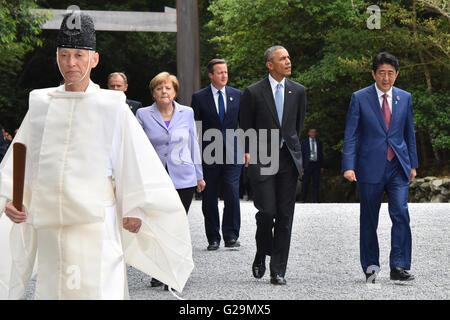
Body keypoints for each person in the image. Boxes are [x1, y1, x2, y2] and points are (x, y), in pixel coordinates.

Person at [0, 13, 193, 299]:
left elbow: (133, 157)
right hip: (52, 220)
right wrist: (11, 198)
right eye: (64, 55)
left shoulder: (111, 106)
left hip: (97, 218)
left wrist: (134, 207)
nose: (71, 63)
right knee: (55, 288)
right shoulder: (42, 103)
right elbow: (22, 154)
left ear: (94, 59)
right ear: (57, 57)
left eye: (79, 55)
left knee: (99, 287)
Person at [342, 52, 418, 283]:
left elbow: (409, 133)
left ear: (397, 74)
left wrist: (413, 164)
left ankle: (400, 265)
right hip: (369, 166)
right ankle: (371, 266)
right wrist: (348, 165)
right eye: (382, 73)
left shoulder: (404, 98)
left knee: (401, 213)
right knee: (369, 218)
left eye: (391, 73)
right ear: (373, 73)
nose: (386, 78)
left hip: (398, 165)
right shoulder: (359, 97)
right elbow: (351, 135)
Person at [239, 45, 306, 285]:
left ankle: (278, 270)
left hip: (288, 161)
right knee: (267, 213)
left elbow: (296, 128)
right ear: (270, 65)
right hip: (262, 161)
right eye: (282, 58)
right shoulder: (253, 92)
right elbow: (245, 128)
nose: (288, 61)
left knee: (285, 217)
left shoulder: (298, 91)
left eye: (289, 57)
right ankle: (262, 250)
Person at [191, 59, 243, 251]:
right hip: (208, 152)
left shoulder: (237, 95)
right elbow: (195, 128)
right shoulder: (199, 97)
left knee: (231, 191)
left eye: (226, 72)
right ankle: (213, 237)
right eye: (220, 72)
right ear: (211, 75)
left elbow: (244, 123)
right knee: (209, 195)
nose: (224, 76)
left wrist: (246, 150)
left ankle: (231, 235)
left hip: (233, 152)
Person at [136, 72, 205, 214]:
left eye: (168, 88)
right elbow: (137, 147)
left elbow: (193, 144)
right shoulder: (142, 114)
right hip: (154, 177)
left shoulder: (187, 112)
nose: (164, 92)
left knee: (180, 217)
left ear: (175, 92)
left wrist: (199, 176)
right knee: (158, 218)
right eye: (159, 88)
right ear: (153, 93)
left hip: (184, 176)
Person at [301, 128, 324, 203]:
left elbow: (321, 155)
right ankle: (303, 199)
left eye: (314, 132)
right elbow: (302, 155)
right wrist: (302, 166)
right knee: (306, 182)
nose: (313, 133)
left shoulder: (319, 142)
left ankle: (316, 200)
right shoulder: (304, 142)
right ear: (309, 133)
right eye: (311, 132)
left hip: (316, 164)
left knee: (316, 182)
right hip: (307, 164)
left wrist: (322, 166)